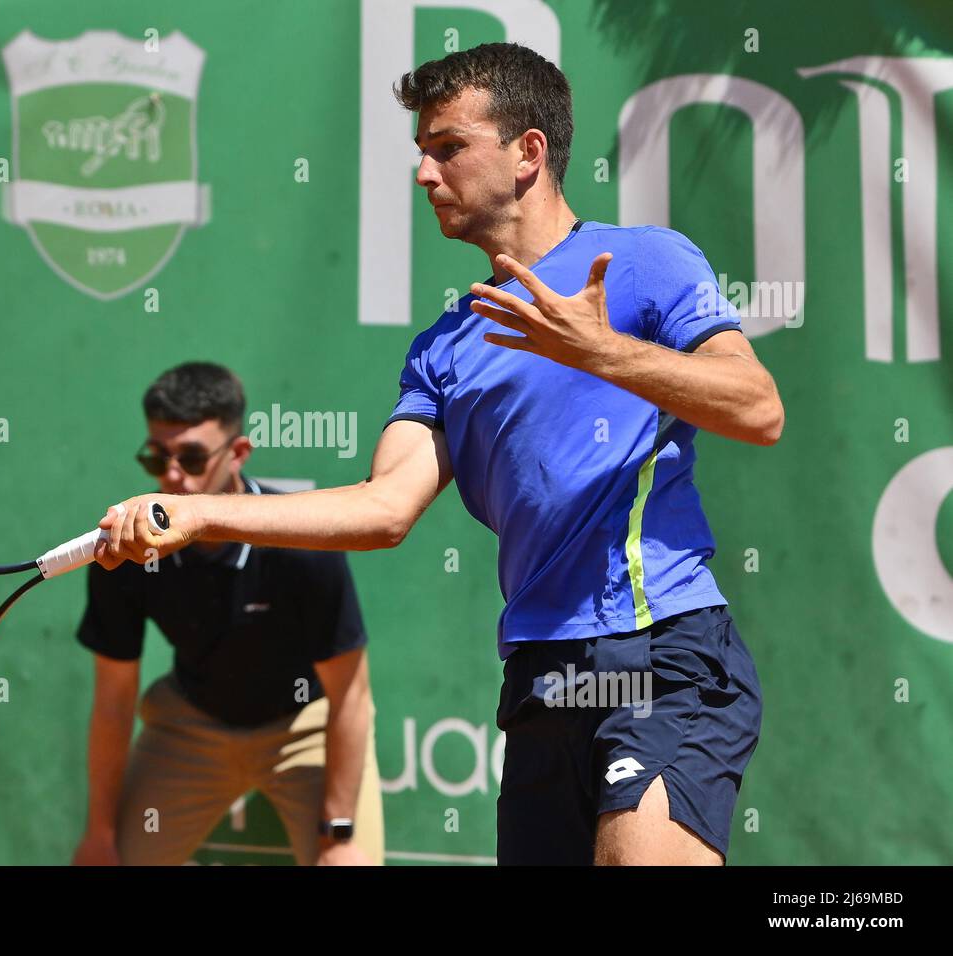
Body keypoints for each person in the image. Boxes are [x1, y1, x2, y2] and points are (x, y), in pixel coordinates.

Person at [92, 43, 783, 866]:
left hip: (660, 649)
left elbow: (758, 407)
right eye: (421, 151)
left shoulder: (645, 261)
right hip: (540, 677)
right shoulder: (443, 350)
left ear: (529, 152)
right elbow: (382, 509)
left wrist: (603, 352)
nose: (425, 172)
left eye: (448, 147)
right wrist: (197, 513)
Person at [71, 361, 383, 866]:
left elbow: (351, 694)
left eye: (192, 457)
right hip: (189, 723)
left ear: (237, 453)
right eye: (158, 457)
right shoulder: (126, 554)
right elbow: (113, 700)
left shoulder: (300, 545)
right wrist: (100, 834)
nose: (173, 476)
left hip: (302, 725)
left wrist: (339, 833)